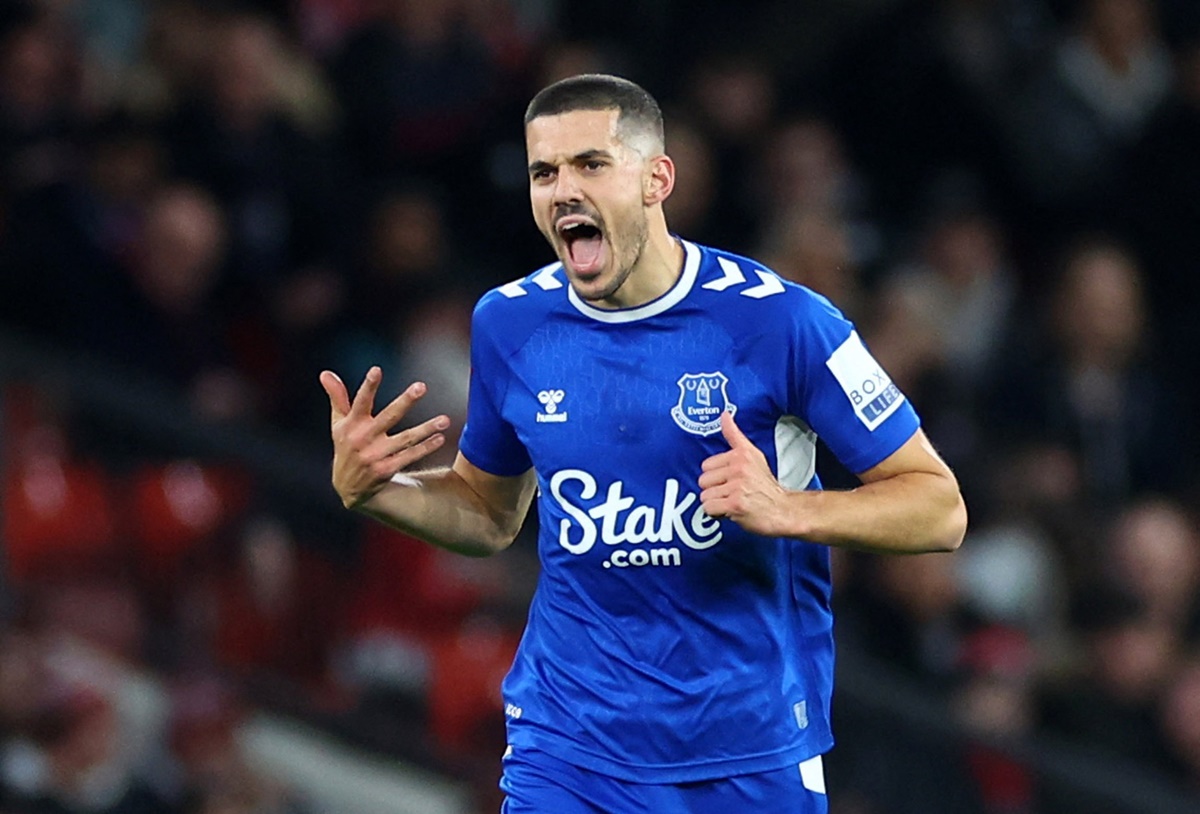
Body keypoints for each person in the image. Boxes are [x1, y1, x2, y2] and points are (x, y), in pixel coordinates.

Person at [319, 74, 967, 814]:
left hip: (746, 750)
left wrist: (789, 509)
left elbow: (939, 508)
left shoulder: (783, 323)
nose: (563, 190)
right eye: (544, 172)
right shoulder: (510, 323)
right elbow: (487, 513)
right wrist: (379, 491)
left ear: (658, 178)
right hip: (567, 746)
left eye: (590, 164)